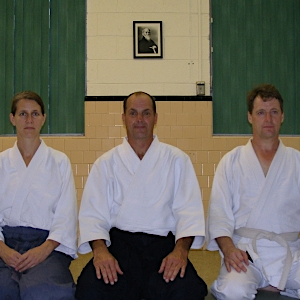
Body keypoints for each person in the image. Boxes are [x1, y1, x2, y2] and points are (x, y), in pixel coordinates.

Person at [75, 91, 207, 300]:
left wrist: (180, 252)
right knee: (89, 289)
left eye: (146, 113)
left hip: (164, 249)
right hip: (120, 249)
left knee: (187, 290)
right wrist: (100, 252)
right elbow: (93, 215)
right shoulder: (106, 163)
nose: (139, 120)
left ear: (155, 118)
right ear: (123, 118)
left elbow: (188, 212)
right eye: (133, 113)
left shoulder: (177, 160)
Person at [207, 84, 300, 299]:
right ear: (250, 117)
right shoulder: (231, 162)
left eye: (274, 112)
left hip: (291, 253)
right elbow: (219, 215)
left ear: (282, 116)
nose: (268, 119)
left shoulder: (296, 161)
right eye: (261, 112)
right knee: (232, 290)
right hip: (246, 254)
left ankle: (281, 282)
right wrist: (229, 250)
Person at [0, 91, 77, 299]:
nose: (29, 120)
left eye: (35, 114)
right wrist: (2, 250)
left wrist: (44, 249)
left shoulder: (60, 162)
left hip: (46, 246)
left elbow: (66, 215)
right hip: (4, 245)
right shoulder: (1, 162)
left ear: (43, 118)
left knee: (44, 292)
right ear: (12, 118)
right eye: (23, 114)